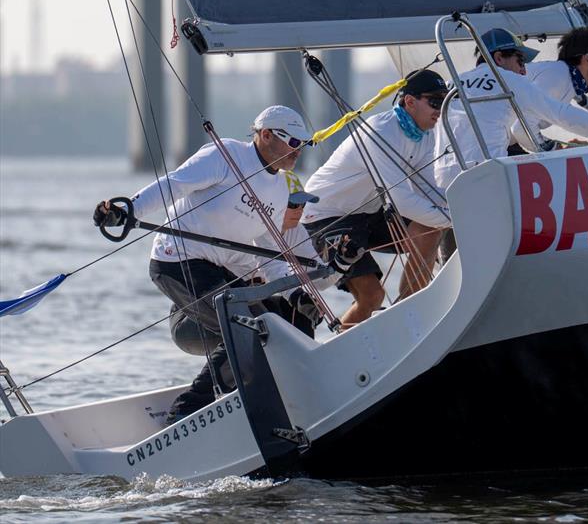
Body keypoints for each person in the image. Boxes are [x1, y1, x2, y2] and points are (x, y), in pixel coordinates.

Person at [93, 105, 330, 422]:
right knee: (243, 326)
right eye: (294, 143)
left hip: (222, 274)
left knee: (292, 320)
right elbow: (173, 184)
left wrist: (295, 294)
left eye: (304, 144)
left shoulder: (279, 189)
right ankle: (188, 410)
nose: (298, 151)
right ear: (266, 135)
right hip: (178, 262)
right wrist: (129, 210)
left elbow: (271, 256)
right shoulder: (226, 154)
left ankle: (299, 399)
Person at [302, 69, 452, 329]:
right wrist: (453, 218)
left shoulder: (426, 136)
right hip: (327, 215)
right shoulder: (381, 130)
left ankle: (409, 316)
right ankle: (343, 346)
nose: (440, 110)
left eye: (445, 101)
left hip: (368, 213)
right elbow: (402, 200)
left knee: (430, 228)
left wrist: (459, 209)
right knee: (372, 296)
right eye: (435, 102)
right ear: (409, 102)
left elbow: (429, 190)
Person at [433, 28, 588, 190]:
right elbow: (526, 128)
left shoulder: (456, 81)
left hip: (443, 174)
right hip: (483, 173)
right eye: (520, 60)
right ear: (498, 58)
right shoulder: (548, 75)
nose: (523, 70)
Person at [520, 26, 588, 150]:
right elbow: (521, 128)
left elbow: (572, 120)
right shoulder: (558, 75)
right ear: (587, 58)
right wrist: (559, 151)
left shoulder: (562, 78)